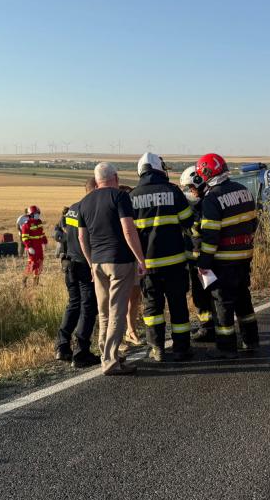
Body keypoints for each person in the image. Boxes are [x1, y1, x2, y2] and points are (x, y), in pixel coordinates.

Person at [78, 162, 146, 375]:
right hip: (120, 261)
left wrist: (90, 263)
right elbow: (128, 230)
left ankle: (106, 355)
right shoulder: (120, 196)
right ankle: (110, 361)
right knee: (117, 311)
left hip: (97, 262)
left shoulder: (85, 202)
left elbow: (82, 237)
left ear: (97, 180)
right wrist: (140, 259)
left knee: (104, 312)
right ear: (115, 177)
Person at [130, 153, 195, 361]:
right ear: (159, 169)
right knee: (178, 306)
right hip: (175, 263)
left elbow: (128, 232)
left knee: (152, 309)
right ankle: (181, 348)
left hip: (148, 266)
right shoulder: (173, 191)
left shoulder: (132, 197)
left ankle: (157, 348)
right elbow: (188, 221)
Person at [195, 152, 259, 359]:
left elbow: (210, 236)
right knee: (244, 301)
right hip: (244, 257)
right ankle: (251, 341)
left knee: (222, 304)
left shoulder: (212, 198)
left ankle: (226, 348)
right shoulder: (244, 190)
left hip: (223, 262)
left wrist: (204, 262)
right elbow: (254, 223)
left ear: (207, 173)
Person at [56, 179, 100, 368]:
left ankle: (62, 346)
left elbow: (62, 232)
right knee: (88, 307)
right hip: (84, 265)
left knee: (73, 304)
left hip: (69, 263)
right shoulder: (90, 209)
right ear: (96, 188)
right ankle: (81, 353)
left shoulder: (73, 208)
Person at [180, 164, 219, 342]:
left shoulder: (207, 204)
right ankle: (208, 326)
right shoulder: (200, 203)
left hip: (203, 260)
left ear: (199, 182)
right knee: (201, 295)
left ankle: (208, 328)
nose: (190, 191)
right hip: (199, 260)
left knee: (205, 295)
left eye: (191, 187)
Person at [116, 185, 144, 348]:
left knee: (134, 297)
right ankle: (117, 338)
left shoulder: (134, 213)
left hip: (134, 259)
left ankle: (131, 331)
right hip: (118, 261)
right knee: (118, 300)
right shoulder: (114, 213)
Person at [20, 205, 47, 282]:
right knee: (32, 264)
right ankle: (24, 280)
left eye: (38, 213)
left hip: (39, 247)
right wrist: (29, 247)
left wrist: (45, 242)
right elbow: (24, 238)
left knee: (40, 263)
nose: (37, 215)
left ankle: (36, 283)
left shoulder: (39, 222)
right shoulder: (26, 224)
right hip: (32, 247)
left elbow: (42, 233)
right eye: (36, 213)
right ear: (31, 214)